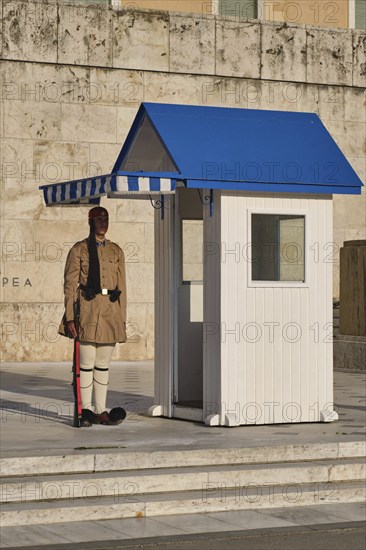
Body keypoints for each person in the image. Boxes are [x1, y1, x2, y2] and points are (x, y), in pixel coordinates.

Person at [59, 206, 127, 427]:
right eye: (98, 219)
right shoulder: (79, 249)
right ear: (90, 222)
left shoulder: (116, 251)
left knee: (103, 364)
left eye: (106, 219)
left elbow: (122, 287)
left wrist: (122, 319)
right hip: (87, 309)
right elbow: (70, 286)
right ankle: (85, 410)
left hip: (110, 310)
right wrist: (70, 317)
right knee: (86, 364)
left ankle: (100, 410)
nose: (103, 223)